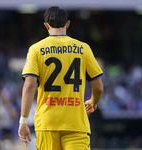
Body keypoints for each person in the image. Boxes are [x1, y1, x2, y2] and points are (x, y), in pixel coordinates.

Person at [18, 6, 104, 150]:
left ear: (46, 25)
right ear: (67, 24)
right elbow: (99, 87)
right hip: (75, 123)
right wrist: (94, 102)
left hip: (47, 123)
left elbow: (29, 86)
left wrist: (23, 121)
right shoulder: (83, 48)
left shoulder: (36, 49)